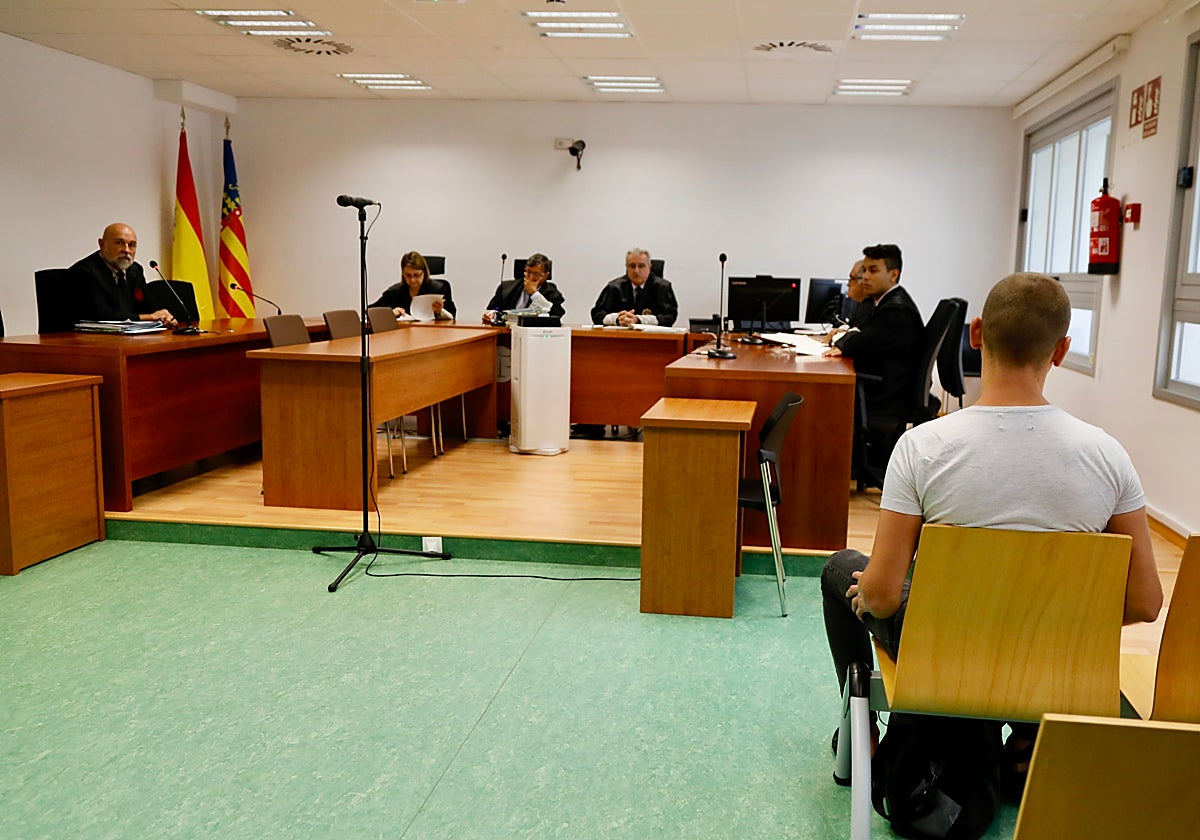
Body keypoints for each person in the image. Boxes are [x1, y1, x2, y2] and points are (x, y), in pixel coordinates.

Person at [821, 272, 1162, 784]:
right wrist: (1043, 622)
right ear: (1062, 350)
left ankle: (863, 730)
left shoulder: (922, 448)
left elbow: (886, 598)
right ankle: (1026, 734)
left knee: (842, 569)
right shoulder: (1108, 456)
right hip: (1055, 661)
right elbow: (1145, 602)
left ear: (975, 333)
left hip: (947, 655)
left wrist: (870, 591)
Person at [823, 244, 923, 418]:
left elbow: (856, 343)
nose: (866, 277)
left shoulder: (896, 310)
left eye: (873, 271)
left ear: (893, 274)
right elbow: (859, 333)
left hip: (884, 396)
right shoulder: (885, 302)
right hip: (885, 387)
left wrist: (850, 336)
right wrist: (852, 334)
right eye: (865, 270)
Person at [70, 222, 177, 326]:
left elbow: (148, 304)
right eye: (119, 243)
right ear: (102, 244)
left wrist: (165, 316)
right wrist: (150, 317)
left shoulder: (134, 270)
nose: (126, 250)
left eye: (131, 245)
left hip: (130, 336)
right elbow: (101, 315)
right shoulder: (85, 271)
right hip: (90, 339)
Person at [590, 248, 678, 327]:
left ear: (650, 267)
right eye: (632, 266)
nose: (636, 271)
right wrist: (618, 319)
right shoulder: (614, 287)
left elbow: (670, 317)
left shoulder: (662, 288)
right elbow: (597, 314)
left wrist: (638, 320)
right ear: (626, 268)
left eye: (641, 266)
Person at [482, 253, 565, 324]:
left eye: (536, 274)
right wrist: (491, 314)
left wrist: (534, 294)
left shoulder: (552, 292)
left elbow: (556, 315)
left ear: (546, 275)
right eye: (528, 272)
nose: (531, 277)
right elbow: (493, 309)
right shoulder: (506, 288)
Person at [370, 251, 455, 320]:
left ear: (424, 273)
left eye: (416, 275)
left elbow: (452, 316)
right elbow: (370, 311)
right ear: (403, 274)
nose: (412, 280)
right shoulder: (394, 292)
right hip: (403, 336)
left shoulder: (439, 290)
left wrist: (439, 312)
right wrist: (391, 313)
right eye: (408, 275)